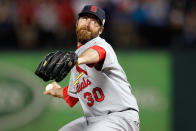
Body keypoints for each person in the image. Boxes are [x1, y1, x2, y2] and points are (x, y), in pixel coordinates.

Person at [41, 5, 140, 131]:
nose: (88, 23)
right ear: (77, 23)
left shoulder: (101, 45)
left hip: (120, 116)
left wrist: (77, 60)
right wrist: (56, 91)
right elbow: (73, 95)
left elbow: (97, 53)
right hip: (94, 121)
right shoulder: (77, 57)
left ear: (100, 31)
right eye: (84, 18)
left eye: (94, 21)